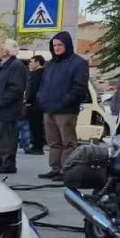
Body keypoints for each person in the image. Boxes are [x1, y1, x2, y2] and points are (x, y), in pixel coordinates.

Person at [36, 31, 90, 179]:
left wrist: (64, 102)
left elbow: (79, 88)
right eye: (54, 45)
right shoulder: (51, 64)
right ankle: (55, 168)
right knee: (53, 141)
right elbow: (43, 85)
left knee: (68, 142)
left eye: (60, 45)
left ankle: (67, 170)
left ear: (67, 45)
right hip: (49, 109)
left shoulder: (78, 63)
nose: (57, 48)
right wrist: (41, 98)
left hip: (66, 110)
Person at [0, 39, 27, 175]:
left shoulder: (16, 65)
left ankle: (8, 164)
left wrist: (0, 101)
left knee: (7, 138)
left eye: (1, 47)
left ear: (8, 51)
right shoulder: (5, 65)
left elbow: (16, 88)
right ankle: (0, 163)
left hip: (7, 110)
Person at [24, 56, 47, 154]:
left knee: (35, 126)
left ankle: (37, 147)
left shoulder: (37, 74)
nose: (30, 64)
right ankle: (36, 145)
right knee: (36, 126)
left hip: (35, 105)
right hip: (38, 104)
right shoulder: (42, 73)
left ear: (38, 63)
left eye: (32, 62)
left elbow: (32, 90)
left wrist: (27, 100)